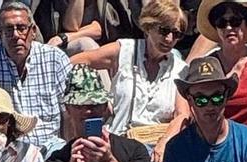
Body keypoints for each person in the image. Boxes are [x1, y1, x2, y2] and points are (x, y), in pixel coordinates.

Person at [0, 2, 71, 155]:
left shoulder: (55, 59)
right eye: (9, 29)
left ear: (33, 31)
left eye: (21, 28)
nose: (16, 35)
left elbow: (69, 114)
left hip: (50, 151)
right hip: (3, 152)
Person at [66, 0, 186, 142]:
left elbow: (182, 116)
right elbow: (76, 62)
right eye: (164, 31)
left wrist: (165, 142)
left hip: (156, 144)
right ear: (148, 27)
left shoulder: (180, 69)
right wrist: (98, 95)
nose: (169, 39)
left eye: (176, 34)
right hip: (118, 139)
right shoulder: (125, 50)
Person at [196, 0, 247, 147]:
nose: (229, 27)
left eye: (235, 21)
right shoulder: (207, 65)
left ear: (246, 25)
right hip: (213, 145)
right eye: (221, 22)